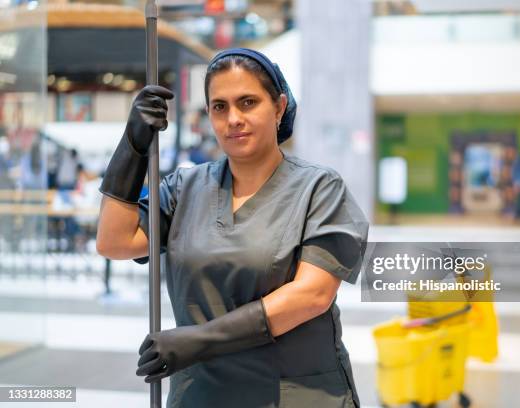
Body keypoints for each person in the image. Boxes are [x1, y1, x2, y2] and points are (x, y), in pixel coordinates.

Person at [96, 48, 369, 408]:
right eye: (219, 106)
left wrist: (199, 340)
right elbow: (114, 241)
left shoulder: (319, 188)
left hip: (294, 395)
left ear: (279, 107)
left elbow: (311, 296)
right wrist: (132, 145)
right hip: (202, 395)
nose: (233, 118)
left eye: (248, 102)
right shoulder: (183, 189)